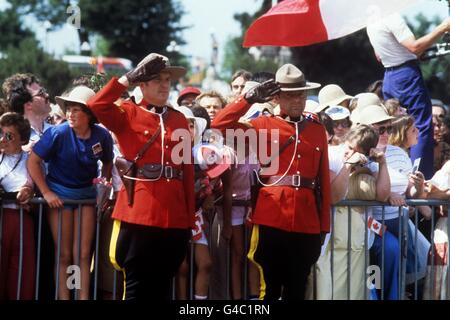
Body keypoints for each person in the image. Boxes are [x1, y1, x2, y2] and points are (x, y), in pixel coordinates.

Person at [212, 63, 331, 300]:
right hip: (272, 216)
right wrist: (248, 99)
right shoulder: (262, 125)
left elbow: (323, 181)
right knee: (270, 286)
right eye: (290, 95)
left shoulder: (316, 129)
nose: (298, 100)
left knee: (297, 286)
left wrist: (323, 225)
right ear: (276, 97)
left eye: (301, 94)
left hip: (307, 220)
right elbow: (219, 125)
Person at [86, 53, 194, 300]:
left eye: (167, 79)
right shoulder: (127, 113)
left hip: (174, 216)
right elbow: (96, 105)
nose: (165, 84)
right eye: (157, 79)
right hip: (139, 213)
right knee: (136, 287)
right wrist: (127, 78)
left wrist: (187, 219)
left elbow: (186, 171)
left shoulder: (178, 119)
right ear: (142, 84)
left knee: (164, 286)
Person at [27, 86, 114, 300]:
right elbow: (33, 161)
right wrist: (46, 192)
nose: (70, 114)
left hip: (86, 196)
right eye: (69, 109)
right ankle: (64, 297)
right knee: (64, 254)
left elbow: (109, 160)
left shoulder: (101, 135)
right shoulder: (58, 132)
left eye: (77, 110)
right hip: (60, 196)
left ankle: (82, 297)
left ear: (89, 114)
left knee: (83, 255)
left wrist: (105, 181)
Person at [366, 14, 450, 179]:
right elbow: (414, 47)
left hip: (389, 76)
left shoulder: (371, 20)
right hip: (406, 75)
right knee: (421, 127)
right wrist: (443, 27)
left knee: (395, 126)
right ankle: (419, 178)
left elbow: (379, 55)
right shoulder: (391, 17)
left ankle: (395, 174)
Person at [0, 112, 35, 300]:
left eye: (8, 135)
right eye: (1, 133)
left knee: (21, 272)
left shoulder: (30, 159)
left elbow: (33, 183)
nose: (3, 139)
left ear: (21, 138)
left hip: (22, 219)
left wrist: (28, 190)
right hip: (2, 217)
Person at [2, 73, 53, 149]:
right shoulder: (10, 137)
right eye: (41, 93)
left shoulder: (56, 130)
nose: (47, 95)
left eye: (44, 91)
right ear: (28, 104)